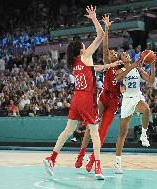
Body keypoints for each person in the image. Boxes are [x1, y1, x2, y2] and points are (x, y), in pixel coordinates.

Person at [43, 6, 119, 180]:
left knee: (68, 130)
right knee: (94, 132)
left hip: (76, 98)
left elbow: (94, 69)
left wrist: (109, 66)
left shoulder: (77, 62)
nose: (87, 47)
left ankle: (52, 158)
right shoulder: (86, 55)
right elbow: (100, 35)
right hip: (87, 98)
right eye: (85, 46)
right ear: (82, 50)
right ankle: (98, 168)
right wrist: (93, 18)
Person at [74, 15, 123, 172]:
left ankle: (93, 162)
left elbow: (124, 84)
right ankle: (81, 155)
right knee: (91, 126)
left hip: (114, 102)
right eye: (110, 52)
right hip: (103, 97)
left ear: (117, 57)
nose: (111, 52)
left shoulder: (121, 70)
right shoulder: (107, 64)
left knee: (102, 132)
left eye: (114, 52)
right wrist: (107, 28)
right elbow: (104, 45)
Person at [114, 51, 155, 173]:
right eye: (124, 55)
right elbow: (118, 78)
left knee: (146, 109)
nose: (126, 55)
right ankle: (117, 164)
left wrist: (152, 66)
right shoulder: (120, 70)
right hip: (127, 100)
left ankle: (143, 134)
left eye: (127, 54)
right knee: (122, 134)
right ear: (121, 60)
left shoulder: (137, 69)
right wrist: (132, 66)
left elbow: (151, 80)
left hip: (137, 97)